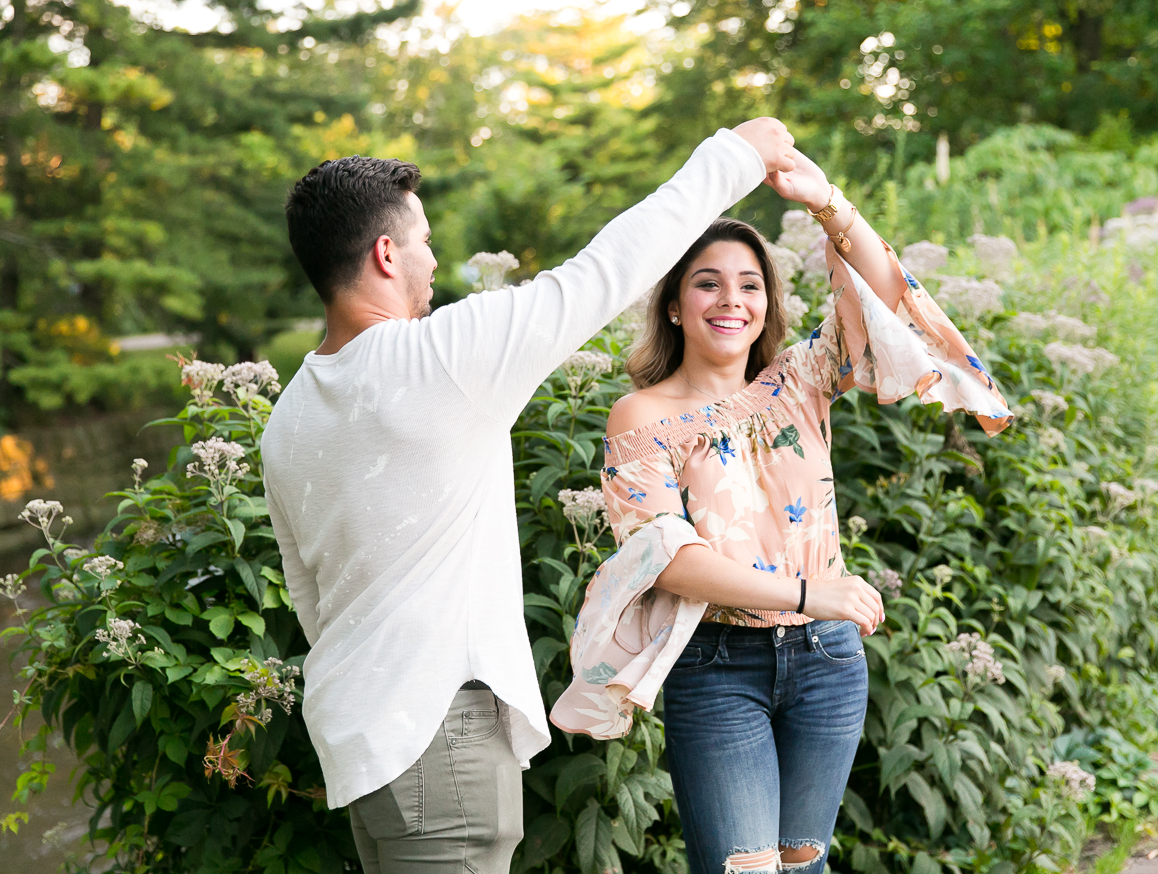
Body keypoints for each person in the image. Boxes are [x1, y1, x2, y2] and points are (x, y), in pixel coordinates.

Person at [260, 118, 799, 874]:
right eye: (422, 240)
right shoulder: (438, 358)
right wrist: (737, 153)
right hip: (437, 735)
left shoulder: (287, 418)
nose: (435, 257)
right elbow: (607, 271)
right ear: (386, 254)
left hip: (360, 739)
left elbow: (308, 598)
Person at [551, 149, 1013, 874]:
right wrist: (808, 593)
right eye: (707, 284)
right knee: (743, 870)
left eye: (748, 284)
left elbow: (889, 300)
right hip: (717, 664)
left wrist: (826, 199)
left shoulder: (800, 380)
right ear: (674, 303)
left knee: (804, 865)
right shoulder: (639, 417)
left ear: (767, 301)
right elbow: (671, 561)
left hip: (828, 660)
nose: (730, 300)